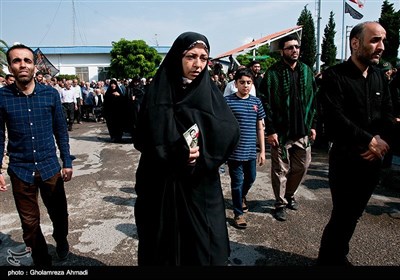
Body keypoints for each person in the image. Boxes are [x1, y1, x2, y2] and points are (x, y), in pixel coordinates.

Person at [133, 31, 240, 266]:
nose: (198, 64)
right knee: (162, 247)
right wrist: (174, 150)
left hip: (199, 185)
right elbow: (144, 137)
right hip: (162, 185)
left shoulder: (209, 93)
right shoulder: (158, 92)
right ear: (177, 58)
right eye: (191, 56)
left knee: (205, 248)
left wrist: (204, 153)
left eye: (204, 58)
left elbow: (229, 128)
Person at [316, 21, 394, 266]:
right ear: (355, 43)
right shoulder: (334, 76)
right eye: (375, 40)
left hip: (373, 161)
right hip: (346, 160)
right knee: (342, 214)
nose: (381, 46)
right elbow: (334, 118)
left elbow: (388, 114)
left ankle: (336, 254)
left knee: (354, 214)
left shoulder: (379, 77)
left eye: (383, 40)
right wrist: (368, 140)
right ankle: (329, 259)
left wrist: (381, 142)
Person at [0, 44, 74, 266]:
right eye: (16, 61)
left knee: (59, 214)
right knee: (29, 224)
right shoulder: (2, 97)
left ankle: (61, 241)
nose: (22, 64)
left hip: (50, 167)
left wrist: (67, 161)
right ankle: (42, 262)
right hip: (20, 170)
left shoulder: (50, 94)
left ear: (34, 66)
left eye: (27, 60)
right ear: (10, 67)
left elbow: (60, 131)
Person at [259, 35, 317, 222]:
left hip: (302, 131)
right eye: (290, 47)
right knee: (280, 170)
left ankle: (290, 194)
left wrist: (313, 125)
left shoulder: (307, 71)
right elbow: (265, 103)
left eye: (297, 47)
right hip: (281, 133)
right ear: (282, 51)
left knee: (302, 166)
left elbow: (313, 100)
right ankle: (280, 203)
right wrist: (271, 130)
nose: (295, 50)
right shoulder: (273, 73)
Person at [225, 68, 266, 229]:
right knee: (237, 182)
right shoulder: (228, 101)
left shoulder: (256, 102)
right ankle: (238, 214)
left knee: (251, 178)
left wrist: (262, 151)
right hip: (234, 151)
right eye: (242, 82)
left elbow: (260, 128)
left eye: (249, 83)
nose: (245, 86)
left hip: (250, 150)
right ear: (235, 84)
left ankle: (242, 197)